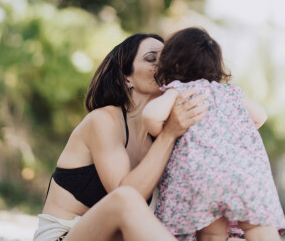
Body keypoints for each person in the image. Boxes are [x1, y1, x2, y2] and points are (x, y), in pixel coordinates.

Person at [33, 33, 208, 241]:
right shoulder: (103, 120)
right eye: (151, 58)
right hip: (64, 237)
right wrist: (169, 135)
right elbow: (126, 196)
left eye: (168, 58)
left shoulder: (166, 131)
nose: (164, 65)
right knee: (124, 198)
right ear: (125, 78)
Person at [142, 27, 285, 241]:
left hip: (202, 176)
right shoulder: (230, 92)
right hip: (247, 173)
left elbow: (152, 116)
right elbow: (259, 116)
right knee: (259, 228)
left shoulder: (179, 90)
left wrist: (161, 131)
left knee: (211, 232)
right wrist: (229, 133)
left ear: (173, 63)